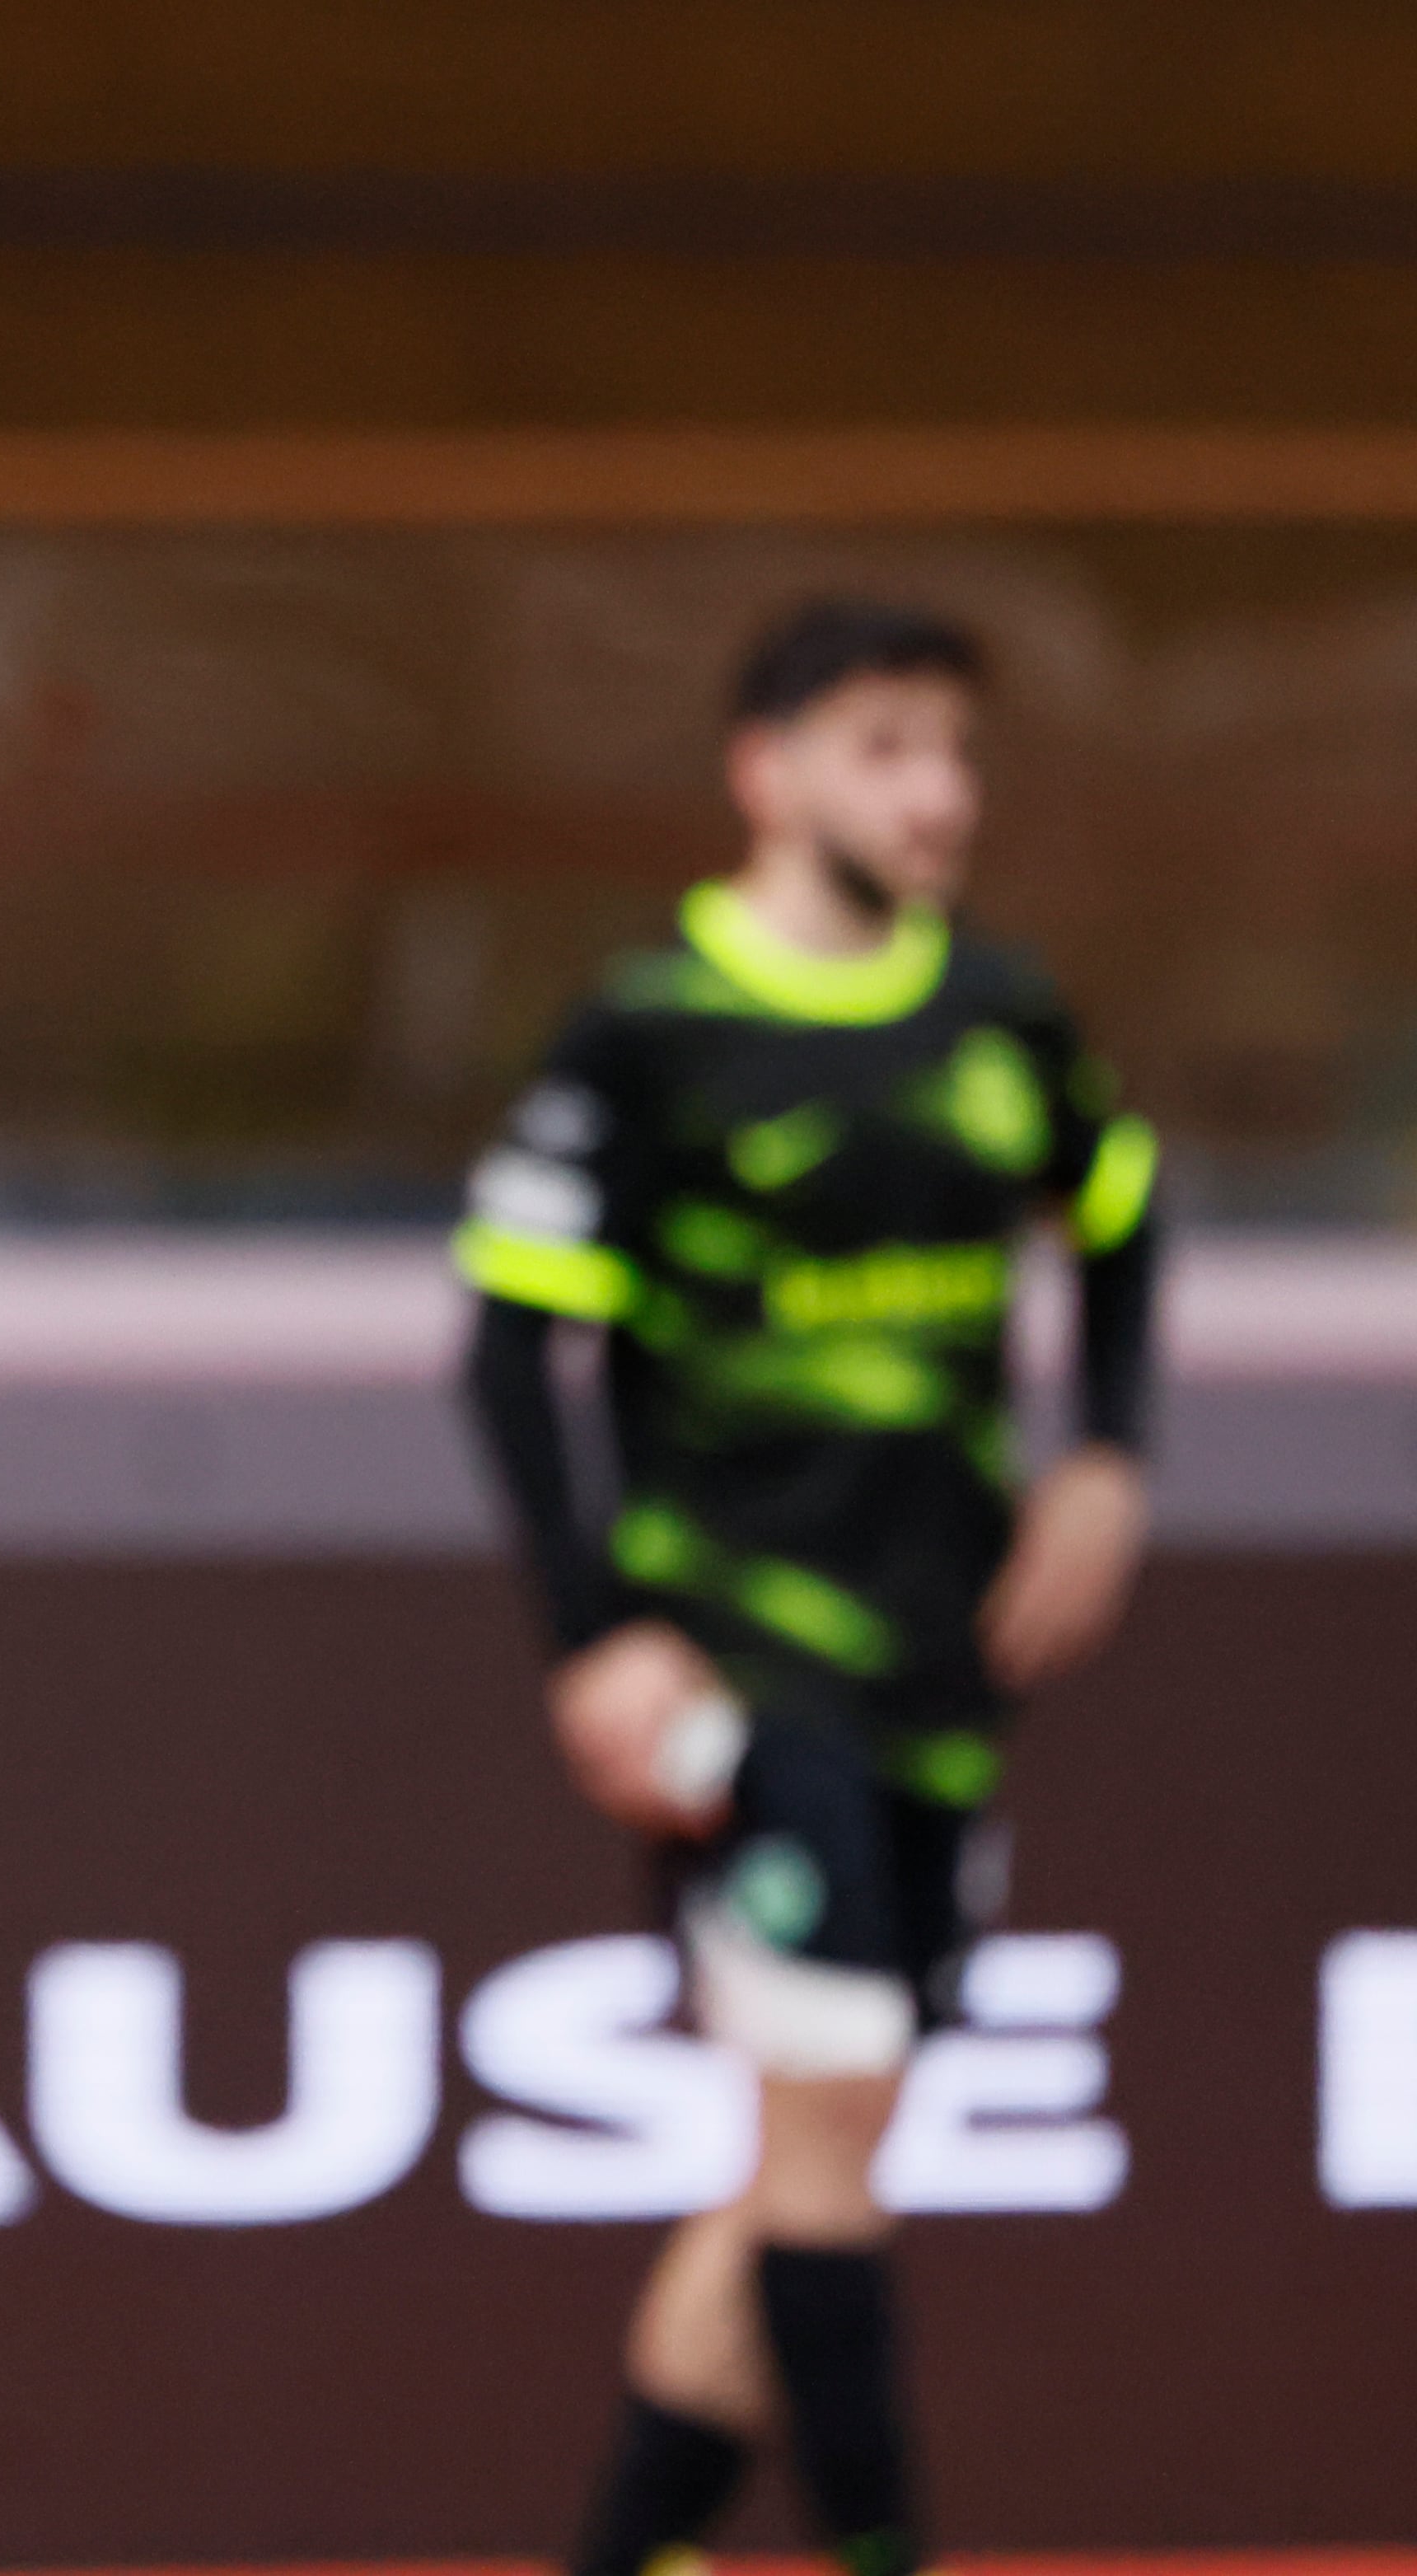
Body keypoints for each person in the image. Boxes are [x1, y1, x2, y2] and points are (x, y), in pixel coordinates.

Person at [456, 600, 1162, 2576]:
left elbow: (1116, 1219)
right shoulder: (646, 1027)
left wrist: (1102, 1458)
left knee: (803, 2163)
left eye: (951, 750)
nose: (931, 792)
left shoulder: (1005, 1016)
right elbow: (508, 1342)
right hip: (743, 1670)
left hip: (945, 1663)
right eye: (879, 746)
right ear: (760, 771)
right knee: (830, 2128)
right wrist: (594, 1637)